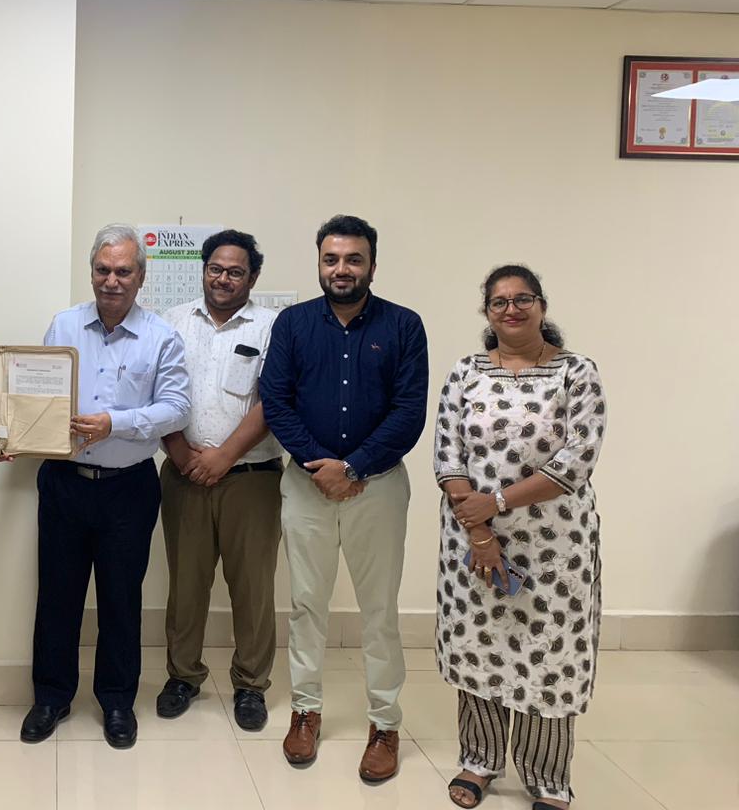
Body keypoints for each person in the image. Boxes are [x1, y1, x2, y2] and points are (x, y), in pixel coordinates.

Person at [258, 214, 428, 781]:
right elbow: (277, 401)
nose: (341, 269)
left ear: (372, 266)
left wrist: (353, 467)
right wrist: (322, 468)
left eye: (354, 259)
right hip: (307, 486)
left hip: (378, 487)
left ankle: (385, 723)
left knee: (379, 610)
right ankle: (305, 711)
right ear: (319, 263)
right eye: (331, 259)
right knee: (308, 604)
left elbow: (409, 411)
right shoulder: (294, 324)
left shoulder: (404, 326)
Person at [434, 265, 605, 810]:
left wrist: (500, 502)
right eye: (499, 301)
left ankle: (547, 779)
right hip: (472, 538)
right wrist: (480, 529)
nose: (511, 309)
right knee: (478, 645)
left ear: (542, 306)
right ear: (487, 313)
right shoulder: (466, 372)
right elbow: (448, 454)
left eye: (522, 298)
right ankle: (480, 760)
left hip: (555, 546)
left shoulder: (576, 373)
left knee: (549, 653)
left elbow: (577, 461)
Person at [19, 223, 190, 749]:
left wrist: (115, 423)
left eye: (123, 271)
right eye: (102, 270)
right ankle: (51, 697)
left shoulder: (161, 336)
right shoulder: (64, 324)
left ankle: (117, 701)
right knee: (57, 595)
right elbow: (36, 394)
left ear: (141, 277)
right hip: (64, 482)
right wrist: (13, 432)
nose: (111, 281)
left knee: (120, 598)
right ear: (91, 271)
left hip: (128, 488)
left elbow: (177, 408)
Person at [155, 229, 284, 732]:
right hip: (183, 472)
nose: (223, 279)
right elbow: (156, 391)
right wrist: (181, 453)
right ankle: (183, 676)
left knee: (252, 588)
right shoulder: (171, 322)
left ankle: (250, 684)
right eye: (215, 268)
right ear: (203, 269)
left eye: (235, 271)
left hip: (251, 478)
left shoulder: (273, 326)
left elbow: (275, 401)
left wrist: (225, 457)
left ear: (253, 276)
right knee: (186, 585)